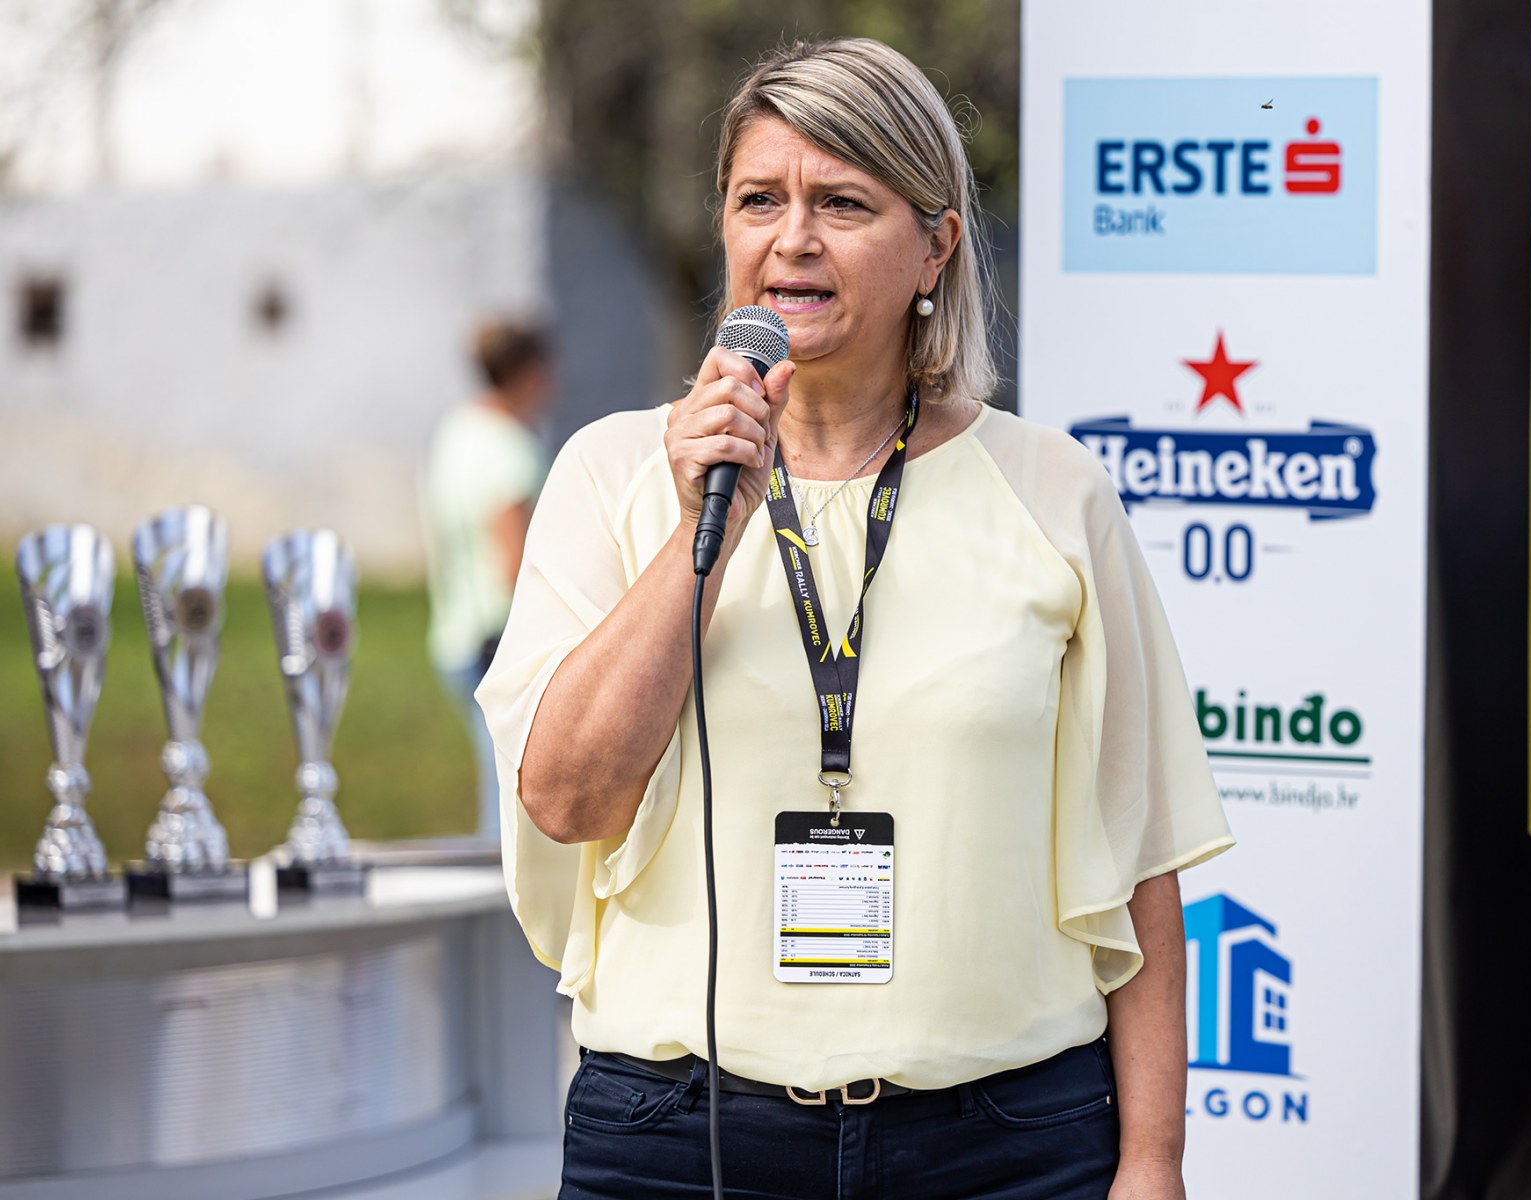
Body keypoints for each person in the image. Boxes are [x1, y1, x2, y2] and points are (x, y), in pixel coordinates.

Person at [477, 38, 1232, 1200]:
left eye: (842, 202)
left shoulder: (1054, 491)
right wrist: (703, 535)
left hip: (1004, 1146)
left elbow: (1140, 866)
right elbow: (568, 800)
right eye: (759, 200)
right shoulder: (611, 473)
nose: (793, 238)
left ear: (936, 245)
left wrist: (1153, 1161)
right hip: (681, 1139)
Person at [422, 319, 552, 840]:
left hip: (454, 633)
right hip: (498, 644)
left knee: (498, 792)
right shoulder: (511, 450)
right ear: (529, 372)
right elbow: (514, 567)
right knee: (509, 811)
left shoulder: (458, 430)